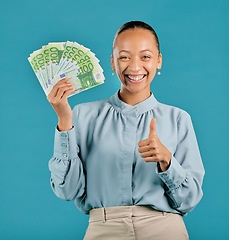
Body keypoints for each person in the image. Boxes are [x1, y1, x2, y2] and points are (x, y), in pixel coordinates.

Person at [47, 20, 205, 240]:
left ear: (159, 61)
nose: (135, 67)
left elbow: (189, 201)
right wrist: (64, 118)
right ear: (112, 62)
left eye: (145, 56)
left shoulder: (178, 119)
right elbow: (67, 191)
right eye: (124, 56)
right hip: (104, 229)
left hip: (164, 229)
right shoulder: (83, 115)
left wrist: (167, 161)